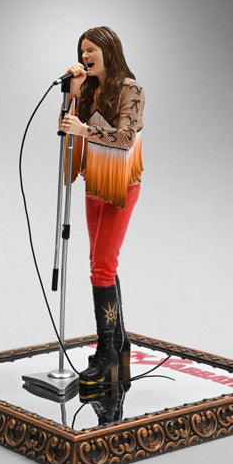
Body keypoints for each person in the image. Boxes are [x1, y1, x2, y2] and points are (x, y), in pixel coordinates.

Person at [59, 26, 145, 389]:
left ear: (109, 50)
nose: (85, 55)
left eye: (91, 49)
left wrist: (84, 130)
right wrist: (73, 93)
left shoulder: (131, 89)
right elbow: (67, 130)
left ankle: (107, 350)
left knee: (102, 268)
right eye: (82, 50)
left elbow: (126, 138)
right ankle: (119, 343)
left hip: (119, 185)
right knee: (100, 263)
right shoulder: (89, 88)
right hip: (94, 181)